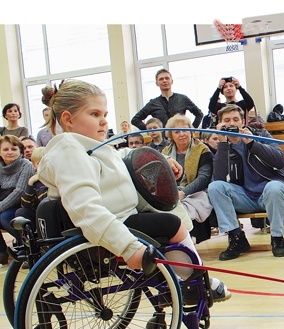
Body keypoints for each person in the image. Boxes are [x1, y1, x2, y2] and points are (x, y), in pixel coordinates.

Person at [39, 79, 230, 302]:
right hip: (111, 225)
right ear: (68, 119)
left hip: (122, 216)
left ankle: (186, 280)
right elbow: (85, 210)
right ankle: (194, 284)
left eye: (104, 115)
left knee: (166, 216)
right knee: (171, 224)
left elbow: (121, 157)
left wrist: (161, 159)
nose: (103, 122)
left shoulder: (88, 147)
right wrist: (128, 247)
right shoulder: (69, 151)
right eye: (94, 114)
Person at [207, 105, 284, 260]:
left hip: (269, 194)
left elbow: (280, 160)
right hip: (245, 196)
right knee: (215, 187)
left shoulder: (260, 134)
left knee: (275, 186)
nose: (231, 123)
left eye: (235, 119)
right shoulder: (223, 144)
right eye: (227, 120)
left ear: (243, 121)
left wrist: (252, 143)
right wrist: (223, 145)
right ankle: (236, 238)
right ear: (219, 124)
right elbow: (219, 177)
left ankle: (277, 238)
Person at [163, 114, 214, 243]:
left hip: (197, 192)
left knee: (185, 209)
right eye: (177, 131)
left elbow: (204, 177)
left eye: (185, 130)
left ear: (191, 131)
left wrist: (183, 192)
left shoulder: (202, 149)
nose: (182, 134)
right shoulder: (165, 153)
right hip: (173, 193)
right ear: (171, 136)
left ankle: (188, 242)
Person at [131, 69, 203, 131]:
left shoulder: (183, 98)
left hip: (181, 138)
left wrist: (192, 129)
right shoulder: (153, 103)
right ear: (157, 83)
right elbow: (135, 120)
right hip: (163, 141)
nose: (164, 81)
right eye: (161, 79)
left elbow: (199, 114)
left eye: (167, 78)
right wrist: (151, 130)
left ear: (172, 81)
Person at [0, 134, 34, 265]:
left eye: (14, 149)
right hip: (4, 202)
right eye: (5, 149)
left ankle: (27, 247)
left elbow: (19, 192)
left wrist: (0, 206)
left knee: (4, 217)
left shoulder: (26, 165)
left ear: (20, 150)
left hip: (21, 204)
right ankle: (2, 253)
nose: (10, 152)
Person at [15, 146, 47, 238]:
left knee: (45, 208)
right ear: (34, 166)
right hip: (37, 211)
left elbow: (45, 199)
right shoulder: (34, 180)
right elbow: (25, 204)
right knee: (21, 212)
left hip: (50, 210)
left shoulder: (55, 177)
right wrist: (30, 184)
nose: (43, 167)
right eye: (39, 164)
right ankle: (32, 241)